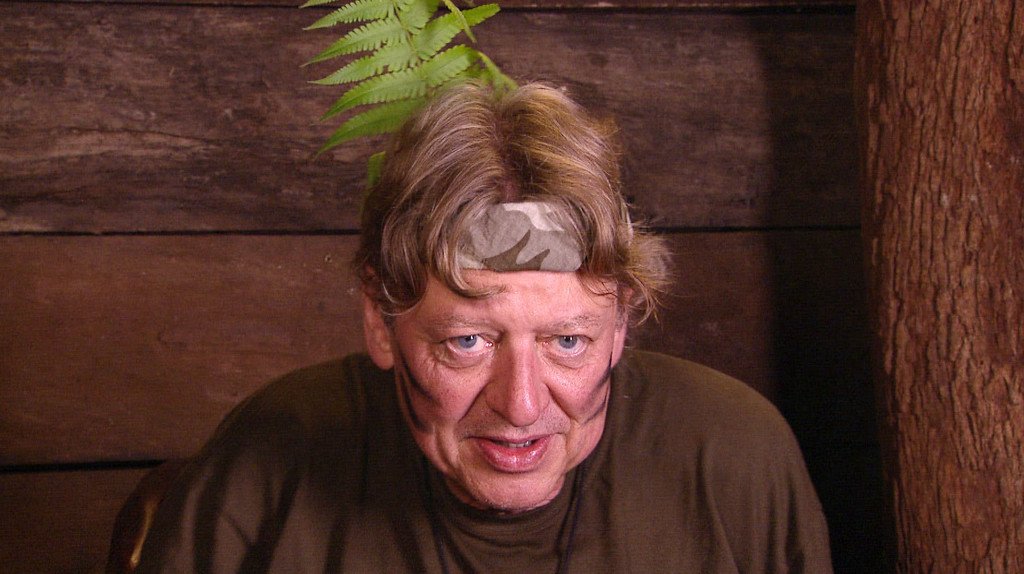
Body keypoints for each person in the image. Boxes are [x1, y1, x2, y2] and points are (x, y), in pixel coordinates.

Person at [137, 82, 832, 572]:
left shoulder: (734, 460)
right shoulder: (268, 463)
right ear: (381, 320)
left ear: (620, 321)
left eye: (567, 342)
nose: (521, 405)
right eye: (467, 342)